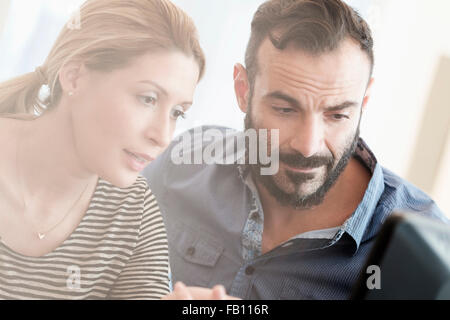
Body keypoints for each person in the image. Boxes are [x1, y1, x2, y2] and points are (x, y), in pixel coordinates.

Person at [144, 0, 449, 300]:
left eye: (337, 115)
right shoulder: (180, 165)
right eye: (285, 109)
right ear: (243, 89)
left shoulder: (426, 249)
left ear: (364, 103)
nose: (307, 145)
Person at [0, 0, 205, 299]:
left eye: (177, 113)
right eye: (147, 98)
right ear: (75, 77)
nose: (162, 136)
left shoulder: (133, 211)